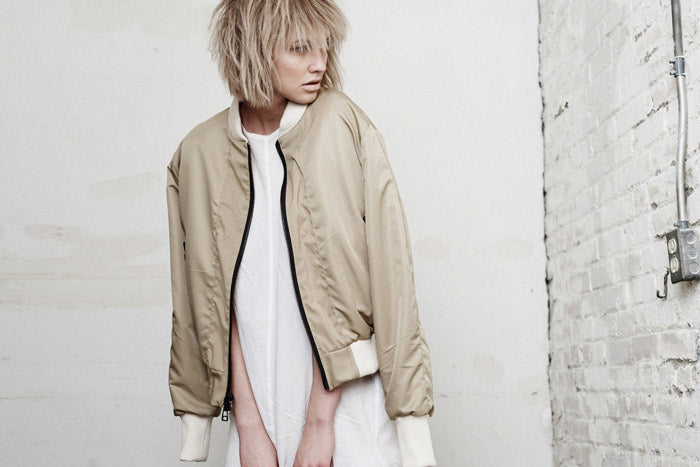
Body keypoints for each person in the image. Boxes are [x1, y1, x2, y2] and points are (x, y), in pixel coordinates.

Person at [166, 1, 435, 465]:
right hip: (252, 408)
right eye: (299, 49)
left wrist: (320, 423)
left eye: (324, 47)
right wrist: (248, 427)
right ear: (251, 49)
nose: (319, 64)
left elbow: (388, 277)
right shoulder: (198, 153)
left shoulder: (342, 124)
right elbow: (205, 301)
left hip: (347, 405)